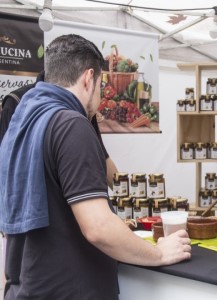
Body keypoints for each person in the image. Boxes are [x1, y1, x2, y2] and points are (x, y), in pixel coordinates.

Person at [0, 34, 191, 300]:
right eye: (102, 85)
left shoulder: (22, 120)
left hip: (26, 286)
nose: (101, 98)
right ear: (89, 78)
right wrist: (159, 253)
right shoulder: (71, 125)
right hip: (68, 290)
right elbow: (98, 227)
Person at [0, 72, 118, 189]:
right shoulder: (17, 101)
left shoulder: (83, 104)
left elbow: (102, 157)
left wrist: (125, 191)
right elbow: (6, 167)